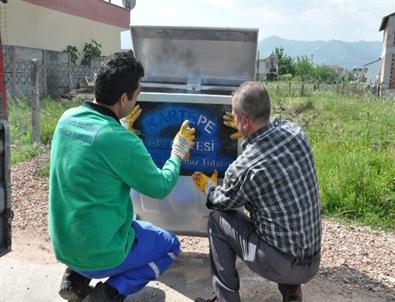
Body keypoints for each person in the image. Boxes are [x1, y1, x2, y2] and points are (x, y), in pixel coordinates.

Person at [48, 51, 195, 302]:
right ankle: (109, 293)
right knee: (170, 246)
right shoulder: (122, 141)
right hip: (101, 252)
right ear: (124, 97)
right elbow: (160, 186)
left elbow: (94, 154)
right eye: (137, 94)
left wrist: (119, 126)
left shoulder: (66, 119)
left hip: (63, 244)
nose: (138, 99)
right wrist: (178, 151)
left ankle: (75, 277)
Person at [192, 81, 321, 302]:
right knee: (283, 215)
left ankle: (226, 298)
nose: (232, 119)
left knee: (217, 220)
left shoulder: (246, 167)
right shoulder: (296, 133)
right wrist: (246, 130)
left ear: (243, 120)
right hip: (312, 260)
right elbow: (277, 123)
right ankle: (292, 293)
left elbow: (220, 202)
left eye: (234, 116)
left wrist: (209, 186)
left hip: (279, 264)